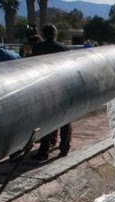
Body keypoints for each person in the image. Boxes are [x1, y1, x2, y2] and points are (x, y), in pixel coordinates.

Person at [31, 24, 72, 161]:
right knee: (65, 119)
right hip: (62, 86)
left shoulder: (37, 48)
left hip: (44, 88)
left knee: (46, 120)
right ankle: (64, 147)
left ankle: (44, 151)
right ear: (55, 33)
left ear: (43, 34)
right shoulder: (63, 48)